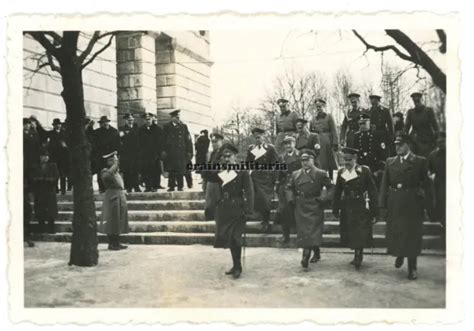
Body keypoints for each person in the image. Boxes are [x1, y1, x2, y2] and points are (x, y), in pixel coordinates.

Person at [379, 134, 434, 280]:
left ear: (408, 145)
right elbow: (384, 184)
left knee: (412, 235)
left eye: (401, 145)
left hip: (412, 204)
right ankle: (400, 254)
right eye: (396, 145)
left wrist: (429, 206)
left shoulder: (419, 161)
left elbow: (427, 186)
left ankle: (412, 267)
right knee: (397, 232)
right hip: (395, 203)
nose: (397, 147)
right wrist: (382, 205)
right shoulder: (390, 162)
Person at [332, 147, 379, 269]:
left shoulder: (364, 171)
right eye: (344, 160)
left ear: (355, 159)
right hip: (347, 205)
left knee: (360, 231)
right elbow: (337, 191)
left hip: (360, 205)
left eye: (349, 160)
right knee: (350, 231)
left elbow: (373, 191)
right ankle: (356, 254)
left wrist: (375, 211)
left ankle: (359, 255)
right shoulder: (342, 172)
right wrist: (335, 208)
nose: (346, 163)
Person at [286, 149, 333, 268]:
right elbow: (289, 187)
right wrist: (291, 199)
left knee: (312, 230)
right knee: (305, 231)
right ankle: (316, 252)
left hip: (315, 205)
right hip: (300, 205)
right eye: (302, 160)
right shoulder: (295, 174)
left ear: (313, 160)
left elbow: (331, 188)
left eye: (307, 160)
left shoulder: (320, 173)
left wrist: (324, 199)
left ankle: (305, 255)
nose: (304, 163)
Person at [213, 143, 254, 279]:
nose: (226, 159)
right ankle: (235, 265)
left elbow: (249, 191)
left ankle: (238, 267)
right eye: (224, 156)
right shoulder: (220, 171)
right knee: (229, 238)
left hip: (238, 208)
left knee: (236, 238)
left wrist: (248, 209)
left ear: (235, 156)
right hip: (224, 208)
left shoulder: (242, 171)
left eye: (229, 156)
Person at [246, 127, 279, 232]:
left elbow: (276, 164)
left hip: (267, 178)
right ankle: (264, 220)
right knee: (259, 200)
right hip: (255, 178)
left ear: (264, 137)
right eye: (255, 137)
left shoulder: (270, 148)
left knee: (266, 200)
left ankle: (266, 220)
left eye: (259, 137)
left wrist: (274, 177)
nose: (258, 139)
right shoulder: (251, 149)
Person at [100, 151, 129, 250]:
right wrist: (115, 165)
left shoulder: (115, 172)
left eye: (115, 160)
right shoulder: (105, 171)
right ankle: (112, 243)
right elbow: (106, 177)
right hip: (112, 197)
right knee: (112, 221)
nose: (115, 162)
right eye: (112, 160)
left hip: (119, 196)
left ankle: (117, 241)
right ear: (108, 162)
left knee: (118, 220)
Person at [274, 136, 301, 243]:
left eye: (290, 143)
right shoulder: (282, 157)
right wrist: (277, 184)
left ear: (294, 143)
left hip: (297, 185)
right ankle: (285, 236)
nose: (288, 146)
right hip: (284, 185)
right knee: (283, 210)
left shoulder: (300, 156)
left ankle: (301, 236)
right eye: (286, 144)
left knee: (297, 211)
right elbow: (279, 173)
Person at [353, 113, 389, 186]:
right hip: (361, 164)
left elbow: (383, 153)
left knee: (377, 180)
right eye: (360, 124)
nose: (361, 126)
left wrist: (379, 169)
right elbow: (354, 152)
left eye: (364, 123)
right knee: (347, 177)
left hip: (374, 165)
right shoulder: (357, 136)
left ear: (369, 123)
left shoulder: (377, 135)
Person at [162, 109, 193, 192]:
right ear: (172, 118)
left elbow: (188, 140)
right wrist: (164, 150)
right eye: (176, 117)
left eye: (179, 117)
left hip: (181, 152)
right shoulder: (166, 127)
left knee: (180, 169)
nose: (178, 119)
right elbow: (163, 140)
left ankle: (180, 186)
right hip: (171, 152)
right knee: (171, 170)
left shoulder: (183, 126)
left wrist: (189, 152)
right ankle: (171, 186)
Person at [31, 147, 59, 234]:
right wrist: (39, 180)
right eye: (44, 156)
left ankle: (51, 228)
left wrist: (47, 180)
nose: (46, 158)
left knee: (51, 210)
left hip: (49, 191)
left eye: (47, 156)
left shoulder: (53, 166)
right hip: (39, 192)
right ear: (40, 157)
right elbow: (32, 178)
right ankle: (41, 227)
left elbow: (56, 177)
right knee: (40, 210)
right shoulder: (35, 166)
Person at [309, 98, 339, 179]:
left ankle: (332, 178)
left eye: (320, 106)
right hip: (318, 143)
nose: (318, 108)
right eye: (317, 107)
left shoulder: (328, 116)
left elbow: (334, 130)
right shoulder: (312, 120)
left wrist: (335, 143)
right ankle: (323, 179)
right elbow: (310, 133)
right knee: (321, 162)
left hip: (328, 142)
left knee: (330, 162)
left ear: (323, 106)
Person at [404, 92, 440, 157]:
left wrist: (436, 138)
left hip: (427, 139)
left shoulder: (428, 111)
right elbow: (407, 126)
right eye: (415, 102)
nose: (417, 103)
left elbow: (435, 126)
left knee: (427, 158)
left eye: (418, 101)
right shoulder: (410, 112)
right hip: (415, 140)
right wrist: (405, 136)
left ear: (421, 100)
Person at [94, 116, 121, 193]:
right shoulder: (97, 132)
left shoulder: (114, 131)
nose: (105, 124)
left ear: (108, 122)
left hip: (111, 155)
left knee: (111, 172)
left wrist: (117, 152)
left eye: (106, 122)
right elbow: (95, 144)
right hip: (101, 155)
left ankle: (111, 187)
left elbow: (118, 144)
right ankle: (102, 188)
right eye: (103, 123)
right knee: (101, 172)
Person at [138, 113, 163, 192]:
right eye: (146, 119)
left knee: (155, 171)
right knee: (146, 170)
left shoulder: (158, 129)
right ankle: (148, 187)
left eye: (149, 119)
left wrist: (159, 153)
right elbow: (138, 142)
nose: (147, 120)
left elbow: (161, 142)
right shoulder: (140, 129)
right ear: (144, 120)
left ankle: (155, 186)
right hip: (144, 154)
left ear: (152, 119)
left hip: (155, 154)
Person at [202, 132, 224, 220]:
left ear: (221, 141)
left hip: (220, 181)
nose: (214, 144)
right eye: (212, 142)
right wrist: (204, 179)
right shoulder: (212, 154)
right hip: (211, 181)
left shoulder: (225, 153)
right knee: (209, 205)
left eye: (216, 141)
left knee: (218, 204)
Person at [428, 131, 446, 228]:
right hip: (439, 186)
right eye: (438, 142)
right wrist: (430, 175)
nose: (441, 144)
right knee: (441, 206)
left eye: (443, 141)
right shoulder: (432, 155)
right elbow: (429, 170)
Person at [47, 118, 71, 195]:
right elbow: (50, 145)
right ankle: (56, 189)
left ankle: (63, 190)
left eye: (59, 124)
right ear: (54, 126)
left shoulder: (65, 133)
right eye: (56, 125)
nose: (58, 126)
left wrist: (65, 146)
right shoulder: (51, 133)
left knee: (63, 174)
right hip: (54, 156)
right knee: (54, 173)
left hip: (63, 157)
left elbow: (68, 144)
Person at [119, 113, 141, 193]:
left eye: (131, 119)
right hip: (126, 153)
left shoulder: (137, 128)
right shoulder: (122, 129)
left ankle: (136, 186)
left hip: (135, 153)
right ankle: (128, 186)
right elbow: (120, 140)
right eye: (128, 120)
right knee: (127, 171)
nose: (130, 121)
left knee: (135, 170)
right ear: (125, 120)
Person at [23, 118, 36, 247]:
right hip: (23, 168)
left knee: (27, 209)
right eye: (25, 124)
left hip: (28, 170)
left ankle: (28, 236)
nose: (27, 126)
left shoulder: (32, 135)